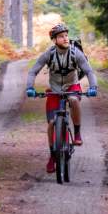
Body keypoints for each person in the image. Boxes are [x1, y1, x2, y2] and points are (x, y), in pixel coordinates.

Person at [26, 22, 97, 173]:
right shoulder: (49, 54)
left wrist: (93, 87)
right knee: (52, 123)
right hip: (55, 89)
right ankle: (53, 156)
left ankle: (77, 133)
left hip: (72, 86)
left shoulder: (75, 53)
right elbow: (33, 71)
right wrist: (30, 88)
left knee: (72, 99)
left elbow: (89, 72)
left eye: (66, 35)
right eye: (61, 37)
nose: (65, 39)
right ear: (54, 40)